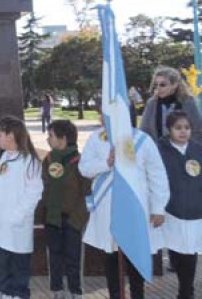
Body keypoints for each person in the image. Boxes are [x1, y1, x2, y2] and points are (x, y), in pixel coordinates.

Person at [79, 118, 169, 299]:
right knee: (112, 256)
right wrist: (106, 163)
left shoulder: (142, 139)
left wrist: (158, 207)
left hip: (136, 209)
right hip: (108, 209)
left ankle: (137, 295)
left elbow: (157, 174)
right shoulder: (96, 138)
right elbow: (84, 168)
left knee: (136, 256)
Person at [0, 116, 44, 299]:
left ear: (11, 136)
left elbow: (33, 193)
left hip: (17, 224)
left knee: (19, 262)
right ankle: (6, 293)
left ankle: (19, 294)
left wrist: (17, 215)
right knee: (2, 263)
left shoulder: (30, 162)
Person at [40, 120, 90, 299]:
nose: (48, 139)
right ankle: (57, 290)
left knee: (73, 257)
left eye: (51, 136)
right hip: (52, 218)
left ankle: (75, 291)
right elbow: (42, 186)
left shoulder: (80, 162)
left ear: (63, 139)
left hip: (72, 219)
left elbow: (87, 193)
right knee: (54, 257)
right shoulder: (48, 160)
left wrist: (76, 219)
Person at [157, 110, 202, 299]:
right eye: (178, 128)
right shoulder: (160, 151)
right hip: (171, 212)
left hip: (195, 211)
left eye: (187, 128)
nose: (183, 132)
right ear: (169, 129)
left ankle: (186, 291)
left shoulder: (197, 150)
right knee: (176, 252)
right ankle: (185, 288)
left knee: (190, 251)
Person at [139, 66, 202, 143]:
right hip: (157, 148)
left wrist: (189, 148)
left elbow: (197, 130)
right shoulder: (152, 103)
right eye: (156, 85)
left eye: (162, 85)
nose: (158, 88)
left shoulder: (187, 102)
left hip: (184, 148)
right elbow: (144, 131)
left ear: (174, 85)